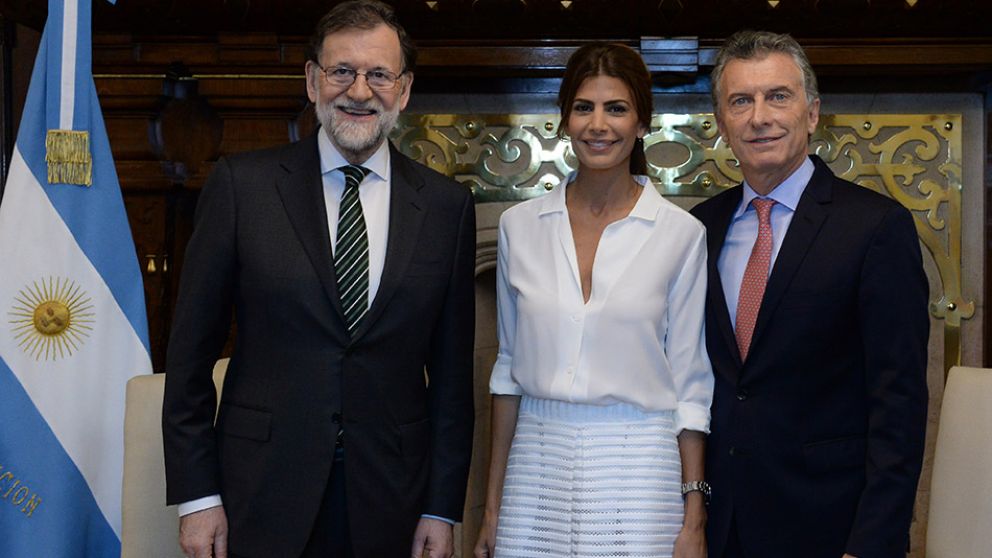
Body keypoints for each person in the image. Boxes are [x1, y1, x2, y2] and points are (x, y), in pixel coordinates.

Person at [161, 2, 476, 557]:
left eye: (378, 74)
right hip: (259, 492)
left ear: (403, 90)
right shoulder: (243, 187)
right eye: (342, 72)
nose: (359, 91)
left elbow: (451, 382)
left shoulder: (447, 207)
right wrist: (198, 497)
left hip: (392, 500)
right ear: (312, 80)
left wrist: (441, 507)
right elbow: (188, 359)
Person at [689, 30, 929, 558]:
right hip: (720, 524)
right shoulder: (697, 230)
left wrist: (872, 542)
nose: (760, 116)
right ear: (722, 124)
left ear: (813, 112)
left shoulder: (875, 228)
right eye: (740, 101)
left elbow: (899, 404)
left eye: (778, 96)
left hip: (829, 526)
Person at [474, 42, 713, 558]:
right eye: (584, 107)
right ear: (564, 120)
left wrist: (694, 518)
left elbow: (691, 382)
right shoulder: (519, 226)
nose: (598, 124)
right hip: (534, 470)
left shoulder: (681, 235)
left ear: (643, 123)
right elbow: (508, 372)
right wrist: (491, 510)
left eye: (617, 108)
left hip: (641, 473)